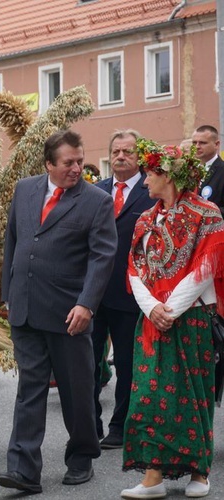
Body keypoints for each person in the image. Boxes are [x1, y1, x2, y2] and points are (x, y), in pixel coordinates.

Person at [0, 129, 117, 494]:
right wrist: (8, 293)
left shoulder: (96, 201)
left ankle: (81, 456)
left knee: (77, 391)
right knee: (29, 391)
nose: (77, 168)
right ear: (49, 164)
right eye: (69, 163)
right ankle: (23, 470)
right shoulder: (25, 190)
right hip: (26, 309)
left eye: (80, 161)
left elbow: (102, 257)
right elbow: (12, 241)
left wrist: (86, 304)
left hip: (70, 315)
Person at [120, 139, 224, 499]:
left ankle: (199, 473)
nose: (145, 180)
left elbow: (206, 268)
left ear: (170, 174)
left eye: (150, 173)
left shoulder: (207, 213)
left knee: (192, 395)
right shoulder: (146, 219)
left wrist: (171, 309)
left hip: (190, 319)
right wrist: (152, 308)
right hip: (152, 320)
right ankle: (153, 477)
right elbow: (135, 268)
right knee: (148, 394)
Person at [92, 130, 155, 449]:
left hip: (131, 296)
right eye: (115, 151)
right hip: (93, 294)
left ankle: (121, 425)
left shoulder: (151, 191)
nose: (120, 157)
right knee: (88, 363)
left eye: (127, 152)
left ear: (139, 156)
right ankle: (91, 423)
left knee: (128, 365)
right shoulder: (95, 191)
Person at [191, 125, 224, 213]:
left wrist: (203, 213)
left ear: (216, 144)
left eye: (202, 143)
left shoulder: (222, 171)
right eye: (194, 142)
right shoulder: (189, 170)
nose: (197, 146)